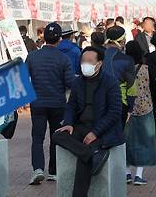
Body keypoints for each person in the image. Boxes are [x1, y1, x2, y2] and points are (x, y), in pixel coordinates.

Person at [52, 46, 123, 197]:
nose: (86, 64)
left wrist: (95, 132)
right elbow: (71, 106)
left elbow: (114, 112)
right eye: (83, 61)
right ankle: (91, 154)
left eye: (90, 61)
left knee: (85, 155)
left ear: (99, 63)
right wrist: (69, 123)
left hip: (103, 130)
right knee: (57, 135)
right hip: (80, 126)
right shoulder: (78, 82)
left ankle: (78, 194)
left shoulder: (110, 82)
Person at [25, 22, 76, 184]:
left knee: (37, 137)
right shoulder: (64, 58)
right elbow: (69, 83)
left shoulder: (32, 57)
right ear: (60, 39)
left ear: (44, 38)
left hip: (37, 103)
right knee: (57, 136)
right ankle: (54, 170)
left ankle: (38, 169)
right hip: (58, 104)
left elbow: (24, 79)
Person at [124, 41, 156, 185]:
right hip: (145, 107)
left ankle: (126, 174)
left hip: (127, 110)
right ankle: (138, 175)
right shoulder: (146, 69)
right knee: (144, 142)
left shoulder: (124, 68)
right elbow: (154, 89)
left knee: (126, 141)